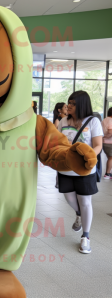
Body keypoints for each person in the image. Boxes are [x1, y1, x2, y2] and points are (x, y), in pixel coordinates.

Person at [58, 90, 103, 254]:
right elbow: (58, 142)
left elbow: (98, 145)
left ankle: (85, 237)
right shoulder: (63, 121)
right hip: (65, 169)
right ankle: (78, 214)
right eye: (68, 103)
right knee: (69, 198)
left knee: (85, 202)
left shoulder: (93, 122)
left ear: (82, 105)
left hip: (85, 170)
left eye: (72, 104)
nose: (68, 106)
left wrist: (90, 156)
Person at [53, 102, 68, 188]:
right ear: (59, 110)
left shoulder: (66, 119)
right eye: (65, 107)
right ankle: (59, 181)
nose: (67, 109)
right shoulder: (58, 120)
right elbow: (57, 134)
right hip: (61, 145)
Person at [102, 107, 112, 179]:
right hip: (109, 143)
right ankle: (107, 174)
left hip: (104, 143)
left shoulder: (104, 120)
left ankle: (108, 173)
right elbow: (110, 133)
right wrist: (105, 137)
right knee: (111, 158)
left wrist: (102, 138)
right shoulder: (111, 120)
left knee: (109, 158)